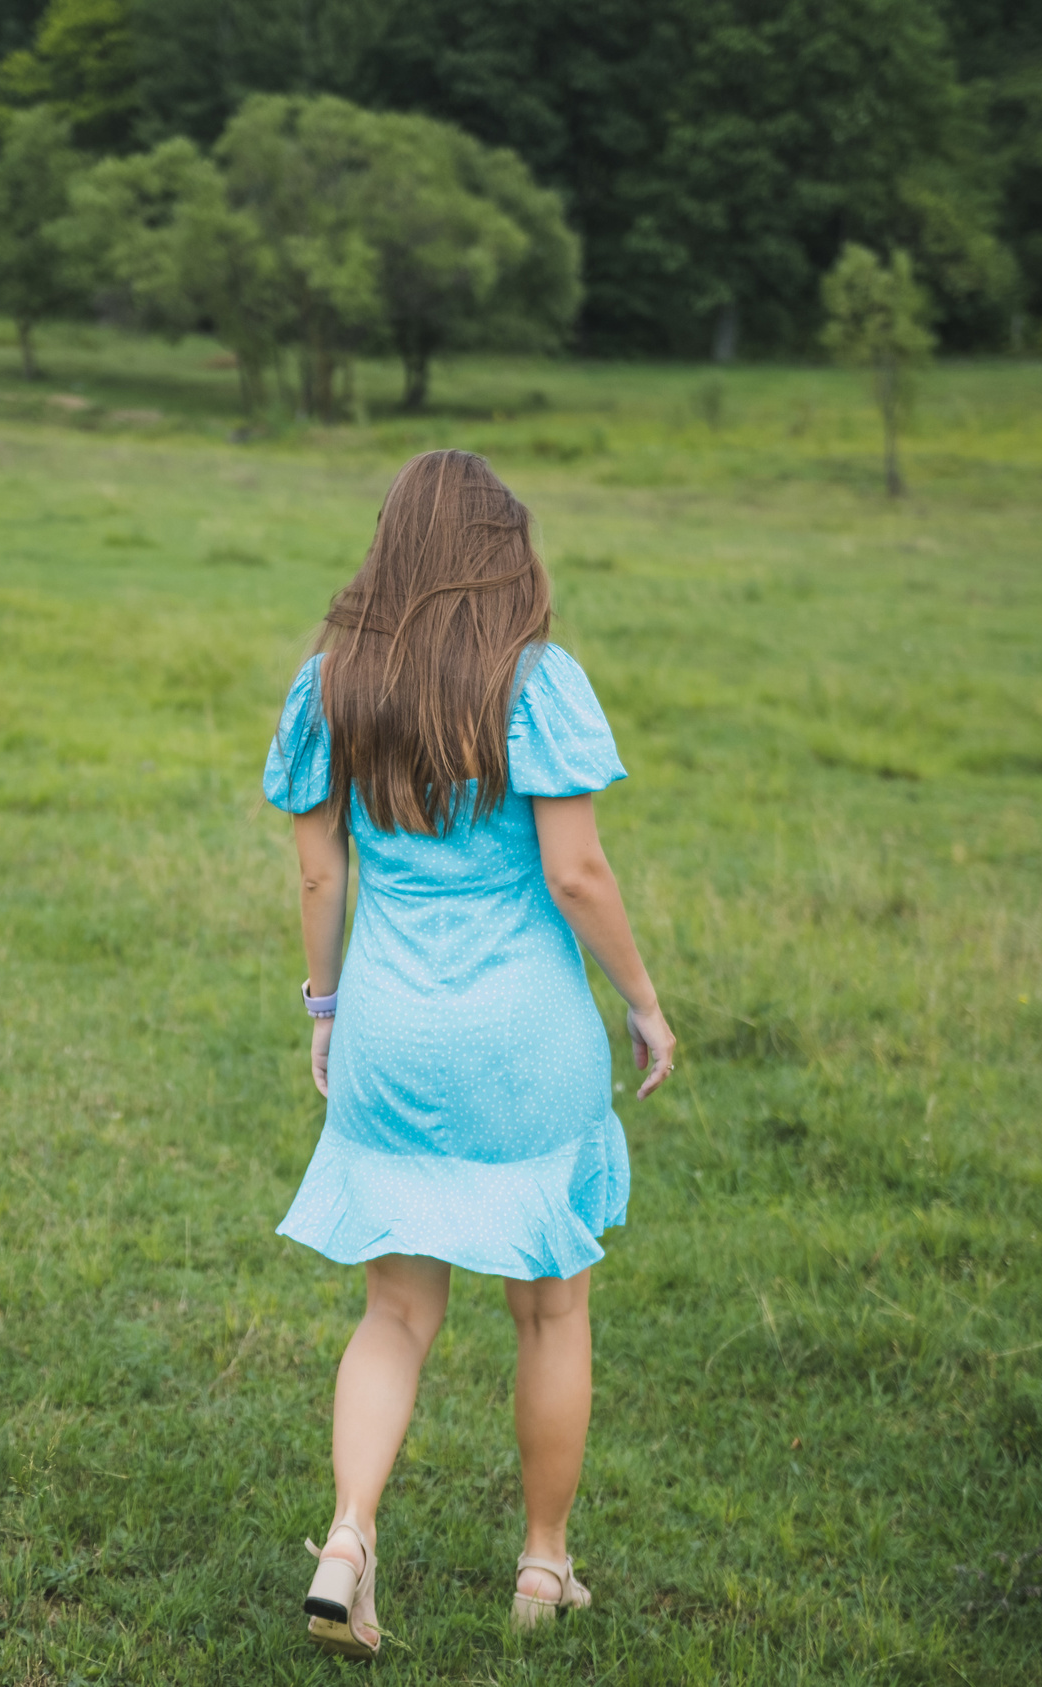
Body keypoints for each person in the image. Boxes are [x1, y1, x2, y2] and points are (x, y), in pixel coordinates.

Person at [262, 449, 677, 1658]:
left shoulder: (329, 684)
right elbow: (576, 872)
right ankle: (543, 1568)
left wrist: (323, 1007)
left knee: (394, 1310)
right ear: (506, 555)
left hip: (390, 1030)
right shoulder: (537, 684)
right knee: (551, 1311)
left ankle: (346, 1540)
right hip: (526, 1043)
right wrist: (643, 1002)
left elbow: (315, 869)